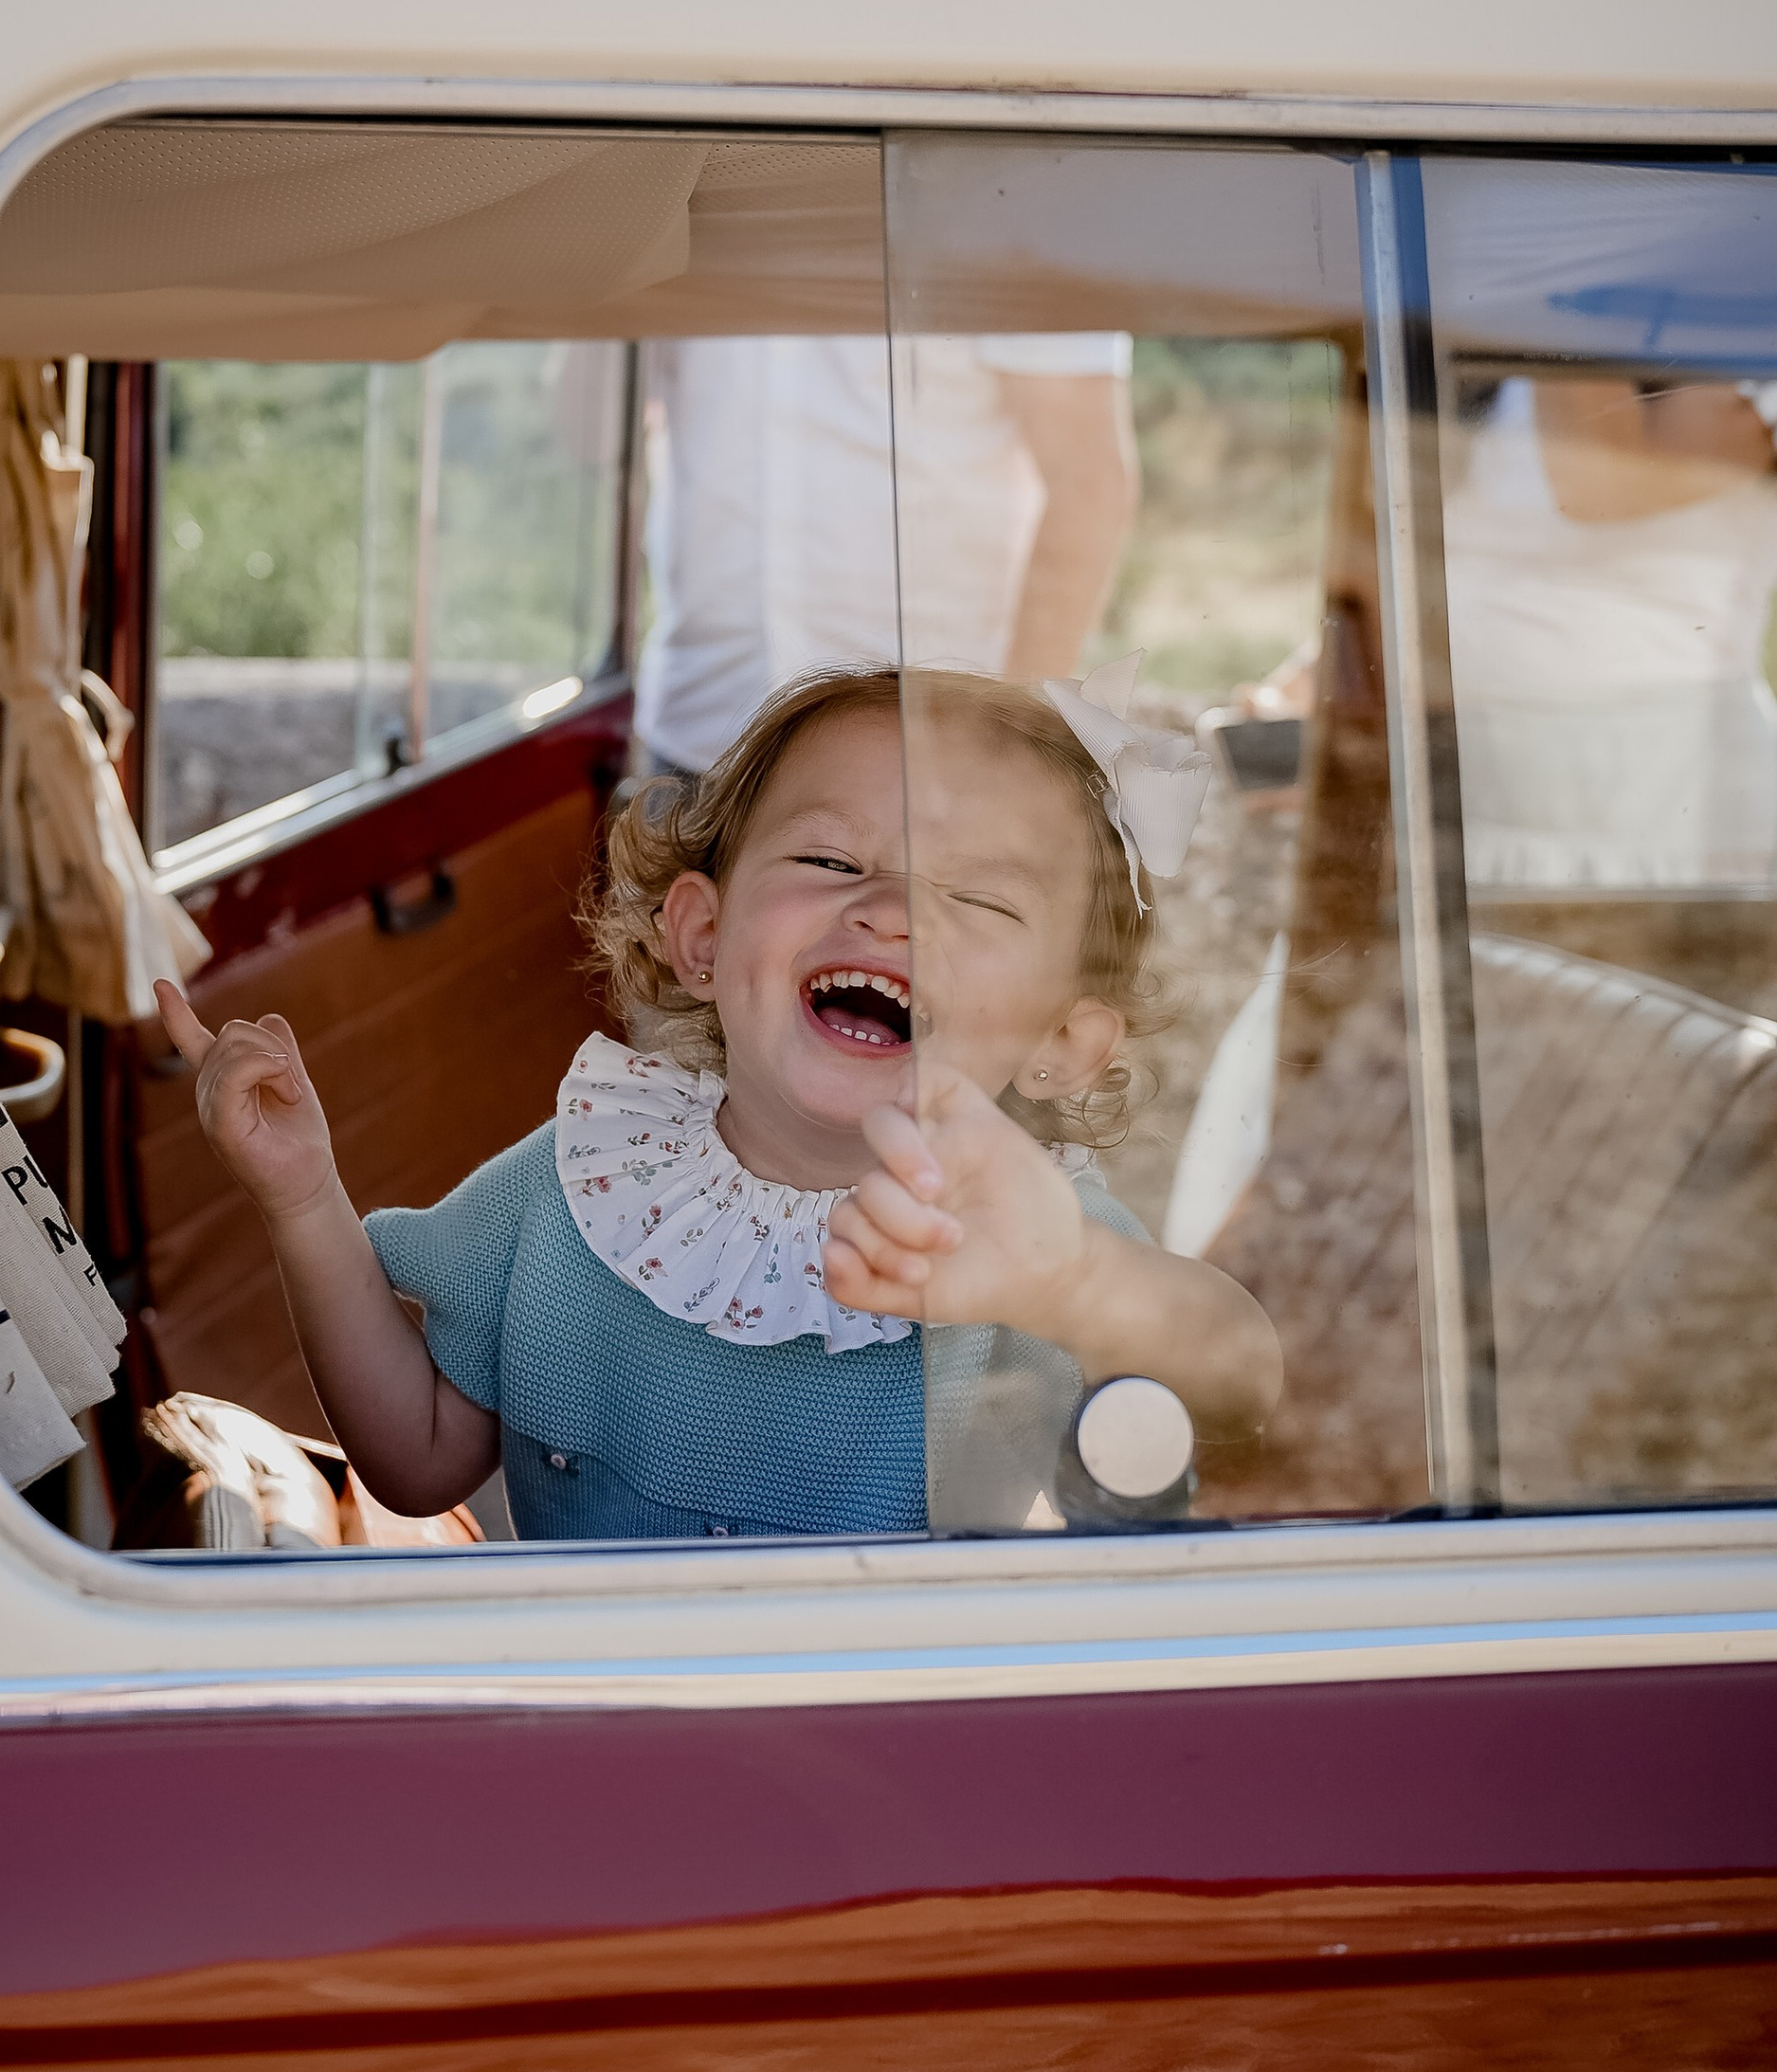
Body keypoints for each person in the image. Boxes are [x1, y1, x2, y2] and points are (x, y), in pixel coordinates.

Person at [153, 667, 1279, 1541]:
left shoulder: (1029, 1234)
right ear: (700, 937)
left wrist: (1075, 1284)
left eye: (977, 896)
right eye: (831, 861)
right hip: (603, 1741)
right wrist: (303, 1201)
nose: (889, 913)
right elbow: (417, 1461)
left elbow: (1242, 1380)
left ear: (1063, 1043)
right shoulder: (587, 1184)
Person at [632, 334, 1137, 777]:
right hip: (699, 730)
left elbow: (1087, 486)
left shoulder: (1008, 225)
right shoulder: (673, 227)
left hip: (932, 746)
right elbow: (585, 433)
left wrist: (1007, 745)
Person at [1444, 373, 1777, 889]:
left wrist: (1552, 298)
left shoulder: (1740, 376)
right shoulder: (1506, 370)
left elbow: (1596, 482)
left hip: (1655, 791)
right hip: (1484, 771)